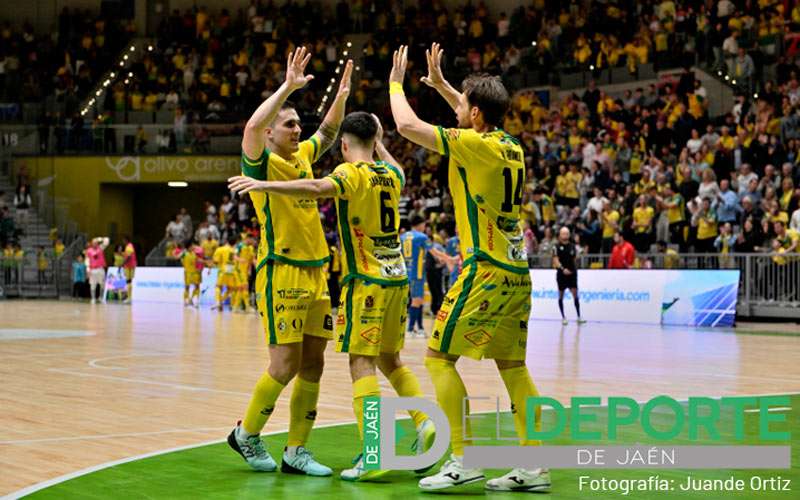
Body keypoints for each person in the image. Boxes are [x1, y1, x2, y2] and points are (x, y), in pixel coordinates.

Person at [228, 111, 436, 482]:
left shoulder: (348, 174)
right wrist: (372, 131)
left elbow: (314, 188)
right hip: (395, 278)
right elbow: (379, 157)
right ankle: (424, 423)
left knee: (361, 364)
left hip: (365, 280)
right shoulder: (394, 175)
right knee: (391, 360)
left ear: (343, 146)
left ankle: (373, 450)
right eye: (289, 124)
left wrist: (263, 187)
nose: (298, 130)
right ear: (376, 140)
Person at [389, 44, 548, 492]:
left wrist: (395, 83)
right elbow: (469, 112)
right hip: (517, 270)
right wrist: (441, 83)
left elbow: (405, 125)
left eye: (463, 104)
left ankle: (463, 459)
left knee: (438, 358)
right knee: (513, 367)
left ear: (477, 115)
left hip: (486, 269)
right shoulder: (509, 144)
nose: (458, 109)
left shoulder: (476, 144)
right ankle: (535, 466)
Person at [224, 47, 352, 477]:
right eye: (290, 124)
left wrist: (342, 94)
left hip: (318, 272)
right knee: (284, 364)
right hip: (282, 270)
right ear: (272, 133)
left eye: (299, 123)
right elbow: (253, 125)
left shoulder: (301, 157)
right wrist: (287, 87)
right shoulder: (258, 161)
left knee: (314, 363)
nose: (299, 129)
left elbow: (331, 132)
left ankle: (296, 450)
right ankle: (246, 434)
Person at [552, 227, 585, 325]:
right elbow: (555, 260)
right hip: (562, 274)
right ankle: (563, 317)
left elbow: (575, 259)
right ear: (560, 235)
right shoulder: (556, 247)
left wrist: (573, 269)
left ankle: (579, 316)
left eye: (567, 234)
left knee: (575, 293)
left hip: (572, 274)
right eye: (563, 234)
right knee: (561, 295)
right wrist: (562, 269)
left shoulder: (573, 246)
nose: (565, 235)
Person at [212, 235, 237, 310]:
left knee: (218, 287)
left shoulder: (220, 249)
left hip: (223, 271)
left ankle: (218, 302)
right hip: (231, 271)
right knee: (230, 289)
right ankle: (222, 301)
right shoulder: (235, 250)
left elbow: (216, 261)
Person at [234, 234, 256, 312]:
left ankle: (236, 307)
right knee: (245, 287)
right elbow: (234, 256)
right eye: (252, 239)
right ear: (247, 239)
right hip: (239, 270)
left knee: (241, 288)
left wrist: (250, 269)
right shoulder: (240, 246)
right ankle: (247, 307)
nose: (253, 241)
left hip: (246, 271)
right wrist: (240, 260)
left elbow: (252, 260)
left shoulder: (251, 248)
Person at [86, 237, 109, 303]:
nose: (95, 244)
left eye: (96, 243)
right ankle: (93, 298)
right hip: (93, 270)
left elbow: (107, 241)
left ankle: (100, 297)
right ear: (91, 243)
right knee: (92, 285)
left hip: (100, 269)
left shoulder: (101, 248)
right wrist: (87, 269)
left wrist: (100, 239)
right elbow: (87, 260)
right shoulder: (89, 250)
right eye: (93, 243)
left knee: (102, 284)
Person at [180, 242, 203, 307]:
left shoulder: (194, 254)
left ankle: (195, 301)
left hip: (195, 272)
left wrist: (206, 262)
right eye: (192, 246)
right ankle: (185, 301)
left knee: (197, 286)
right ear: (189, 247)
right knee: (187, 287)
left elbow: (198, 260)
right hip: (187, 273)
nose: (193, 247)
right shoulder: (184, 254)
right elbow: (179, 259)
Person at [122, 235, 137, 302]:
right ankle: (129, 297)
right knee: (129, 281)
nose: (123, 241)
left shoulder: (129, 246)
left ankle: (129, 298)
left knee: (128, 281)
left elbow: (129, 256)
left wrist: (123, 263)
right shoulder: (129, 246)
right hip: (130, 266)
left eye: (123, 240)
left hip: (129, 266)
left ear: (126, 240)